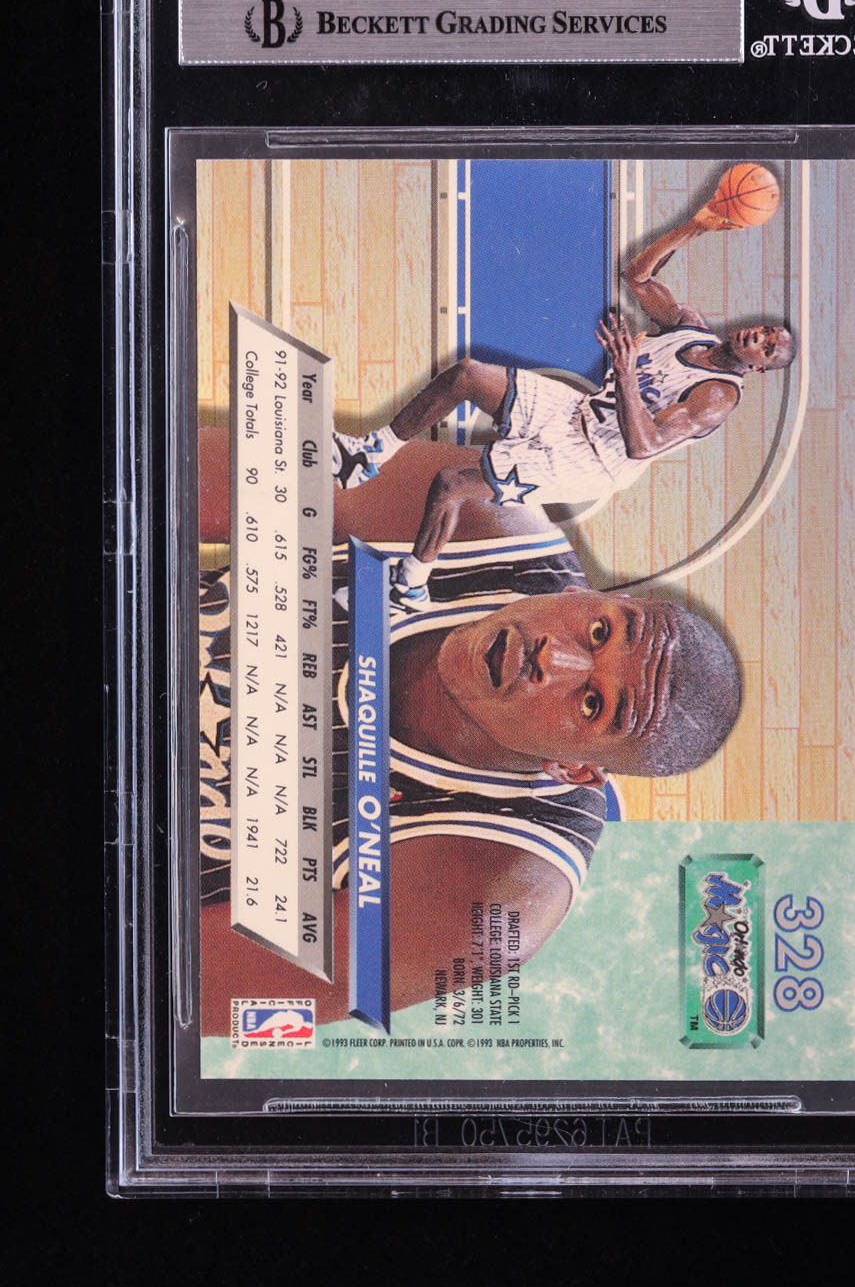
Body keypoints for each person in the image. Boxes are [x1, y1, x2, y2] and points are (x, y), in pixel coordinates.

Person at [198, 433, 742, 1031]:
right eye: (599, 632)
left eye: (592, 704)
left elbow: (194, 989)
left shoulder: (500, 894)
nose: (552, 659)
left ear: (574, 770)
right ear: (583, 594)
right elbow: (177, 480)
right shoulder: (480, 518)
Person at [331, 201, 797, 609]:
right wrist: (697, 225)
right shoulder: (689, 328)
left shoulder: (717, 396)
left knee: (451, 484)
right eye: (766, 330)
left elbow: (644, 445)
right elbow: (638, 275)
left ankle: (410, 586)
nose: (760, 336)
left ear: (759, 368)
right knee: (467, 375)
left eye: (769, 347)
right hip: (577, 412)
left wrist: (626, 371)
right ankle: (369, 453)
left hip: (593, 459)